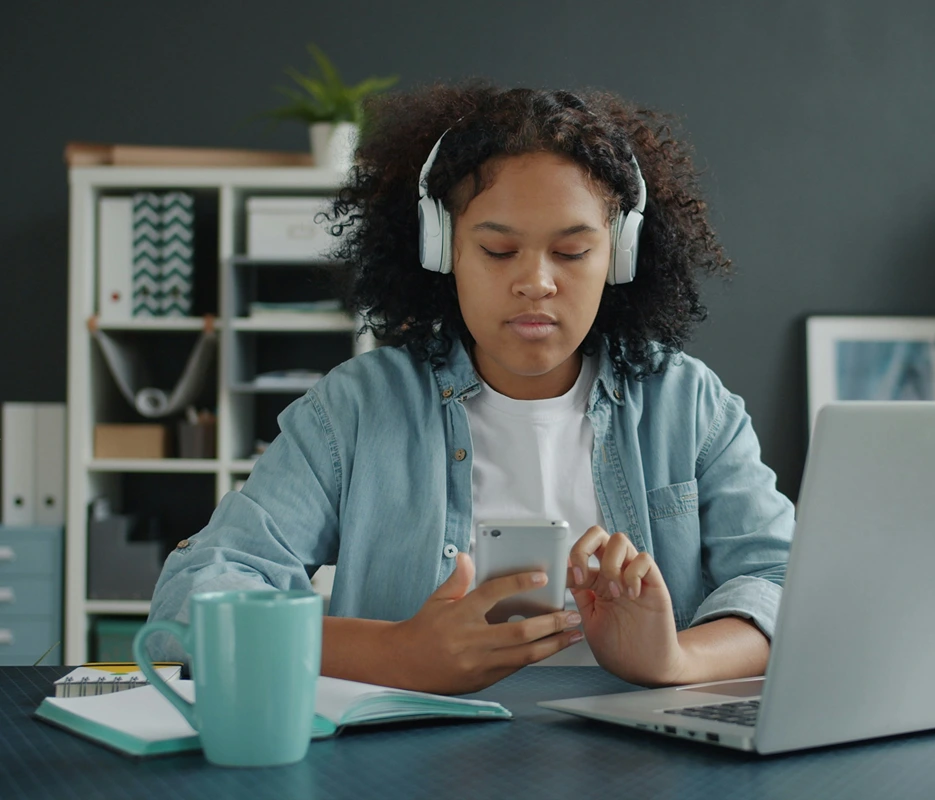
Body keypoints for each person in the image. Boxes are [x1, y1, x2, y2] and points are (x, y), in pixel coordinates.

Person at [147, 83, 795, 695]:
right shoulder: (354, 410)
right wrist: (394, 654)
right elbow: (191, 602)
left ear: (620, 256)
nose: (536, 282)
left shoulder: (689, 405)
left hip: (642, 761)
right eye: (497, 250)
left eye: (571, 253)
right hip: (411, 762)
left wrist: (674, 659)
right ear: (442, 249)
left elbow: (787, 581)